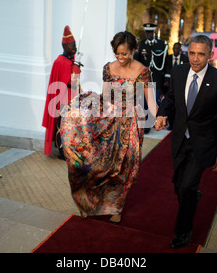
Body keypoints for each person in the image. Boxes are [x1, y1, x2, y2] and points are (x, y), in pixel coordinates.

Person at [60, 31, 157, 224]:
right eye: (117, 54)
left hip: (131, 122)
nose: (120, 58)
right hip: (109, 119)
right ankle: (92, 201)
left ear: (134, 51)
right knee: (101, 163)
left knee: (125, 166)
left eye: (125, 54)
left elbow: (150, 100)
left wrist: (159, 116)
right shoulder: (108, 68)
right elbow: (104, 97)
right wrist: (84, 110)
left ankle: (117, 207)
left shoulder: (142, 70)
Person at [155, 34, 217, 248]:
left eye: (201, 54)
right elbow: (171, 98)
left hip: (203, 144)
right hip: (179, 140)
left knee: (187, 187)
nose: (195, 59)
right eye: (192, 53)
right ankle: (191, 196)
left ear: (210, 55)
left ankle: (183, 230)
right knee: (179, 186)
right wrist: (162, 114)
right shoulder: (179, 72)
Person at [42, 26, 82, 159]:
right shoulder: (61, 62)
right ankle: (62, 150)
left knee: (74, 126)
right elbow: (71, 82)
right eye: (72, 45)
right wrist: (76, 66)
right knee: (63, 126)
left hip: (73, 97)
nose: (74, 47)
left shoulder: (70, 59)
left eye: (75, 44)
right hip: (64, 99)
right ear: (65, 46)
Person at [134, 23, 168, 106]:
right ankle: (145, 118)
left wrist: (167, 78)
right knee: (144, 103)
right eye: (147, 32)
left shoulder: (161, 44)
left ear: (154, 33)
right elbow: (136, 61)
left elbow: (166, 61)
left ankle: (154, 119)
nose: (148, 34)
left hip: (157, 78)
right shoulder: (141, 45)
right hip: (144, 78)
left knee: (155, 101)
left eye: (150, 32)